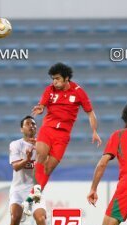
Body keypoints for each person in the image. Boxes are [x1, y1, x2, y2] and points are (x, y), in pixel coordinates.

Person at [28, 63, 101, 204]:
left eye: (57, 79)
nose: (54, 82)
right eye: (53, 79)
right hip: (47, 129)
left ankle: (34, 195)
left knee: (48, 168)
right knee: (41, 155)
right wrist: (41, 108)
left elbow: (90, 113)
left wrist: (94, 131)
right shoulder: (49, 90)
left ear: (66, 78)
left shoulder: (79, 92)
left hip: (62, 135)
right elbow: (42, 104)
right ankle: (35, 193)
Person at [6, 116, 53, 225]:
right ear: (22, 129)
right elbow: (16, 167)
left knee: (40, 218)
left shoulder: (42, 145)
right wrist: (26, 159)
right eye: (28, 124)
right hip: (18, 189)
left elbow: (47, 166)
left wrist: (40, 152)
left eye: (33, 124)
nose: (31, 126)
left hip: (35, 188)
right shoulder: (16, 145)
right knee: (15, 217)